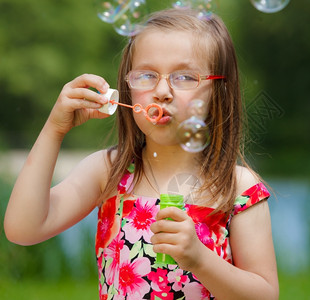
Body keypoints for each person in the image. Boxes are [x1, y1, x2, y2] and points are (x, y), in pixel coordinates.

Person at [4, 8, 279, 300]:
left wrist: (200, 259)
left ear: (219, 92)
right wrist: (54, 129)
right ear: (127, 86)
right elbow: (23, 228)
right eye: (147, 75)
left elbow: (265, 295)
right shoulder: (108, 172)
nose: (162, 91)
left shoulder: (237, 186)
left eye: (185, 77)